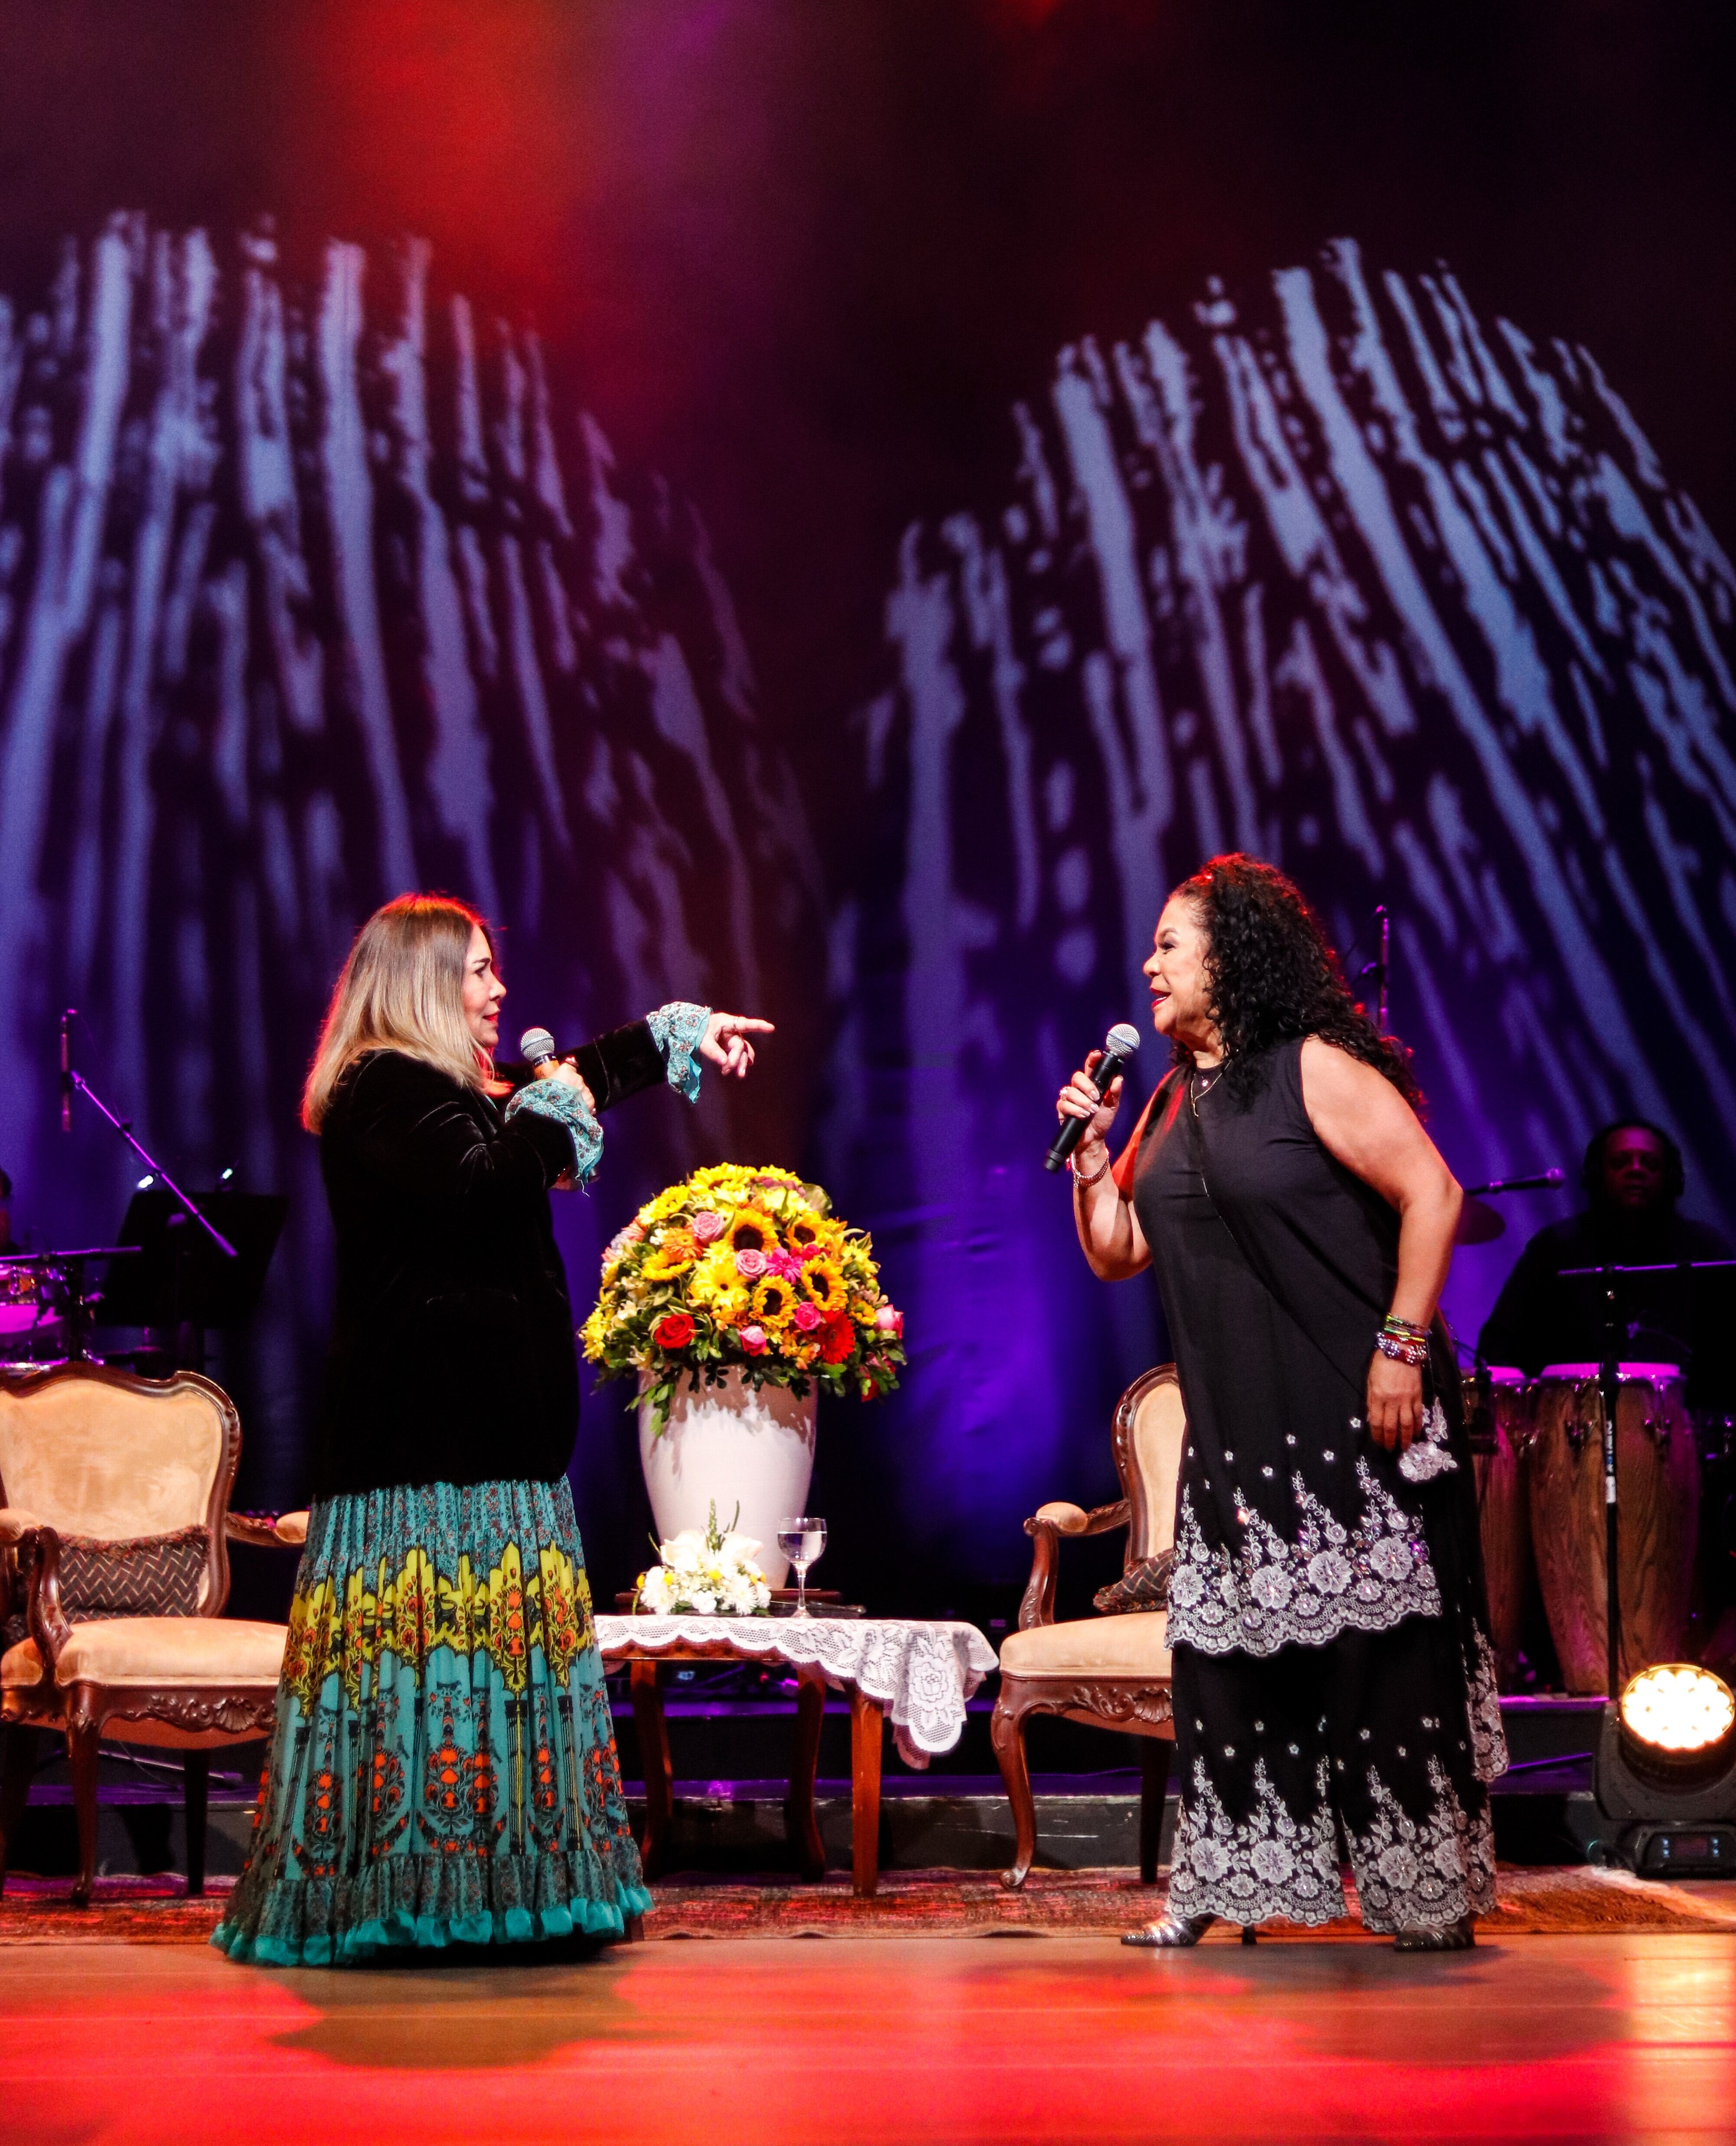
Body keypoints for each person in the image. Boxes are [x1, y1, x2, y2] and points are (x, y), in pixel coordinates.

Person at [213, 894, 772, 1965]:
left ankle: (513, 1888)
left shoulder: (459, 1095)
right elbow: (480, 1186)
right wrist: (548, 1107)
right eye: (476, 971)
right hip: (418, 1459)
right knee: (423, 1685)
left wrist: (669, 1034)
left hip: (491, 1450)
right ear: (422, 982)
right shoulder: (380, 1089)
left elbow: (544, 1097)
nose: (498, 989)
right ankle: (407, 1897)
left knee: (492, 1683)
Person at [1057, 854, 1504, 1949]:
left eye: (1171, 943)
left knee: (1378, 1665)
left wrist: (1400, 1345)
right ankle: (1215, 1889)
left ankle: (1421, 1898)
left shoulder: (1313, 1067)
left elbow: (1433, 1194)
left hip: (1352, 1415)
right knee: (1225, 1665)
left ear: (1232, 952)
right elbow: (1117, 1254)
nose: (1149, 965)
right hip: (1239, 1432)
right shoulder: (1168, 1096)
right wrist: (1090, 1160)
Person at [1478, 1121, 1733, 1406]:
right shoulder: (1556, 1247)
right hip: (1574, 1427)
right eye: (1620, 1162)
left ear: (1672, 1178)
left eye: (1650, 1163)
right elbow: (1499, 1348)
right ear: (1596, 1175)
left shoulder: (1705, 1248)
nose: (1636, 1169)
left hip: (1685, 1427)